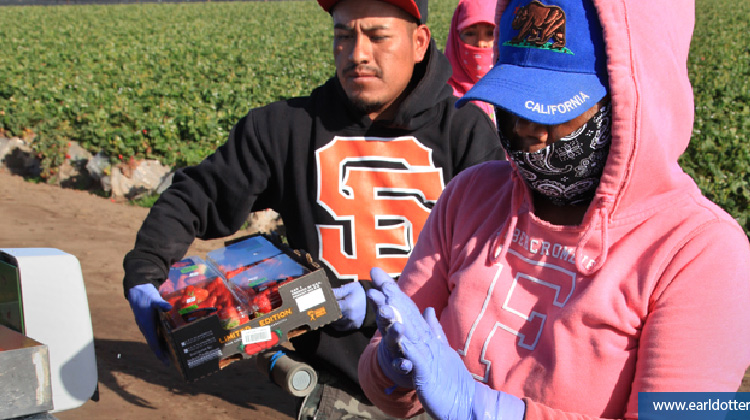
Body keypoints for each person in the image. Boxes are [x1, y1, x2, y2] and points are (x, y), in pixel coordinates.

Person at [358, 0, 750, 419]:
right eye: (513, 103)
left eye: (555, 108)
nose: (527, 128)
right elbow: (387, 395)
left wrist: (488, 409)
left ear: (631, 98)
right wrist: (389, 363)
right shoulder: (470, 198)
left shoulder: (696, 252)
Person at [122, 0, 504, 418]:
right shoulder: (284, 128)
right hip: (339, 386)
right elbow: (199, 195)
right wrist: (145, 271)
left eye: (377, 36)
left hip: (445, 382)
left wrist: (380, 306)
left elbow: (492, 261)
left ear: (419, 42)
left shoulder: (465, 133)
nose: (357, 53)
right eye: (343, 36)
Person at [444, 0, 497, 121]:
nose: (481, 43)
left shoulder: (516, 89)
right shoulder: (443, 94)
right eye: (470, 33)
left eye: (490, 33)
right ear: (455, 37)